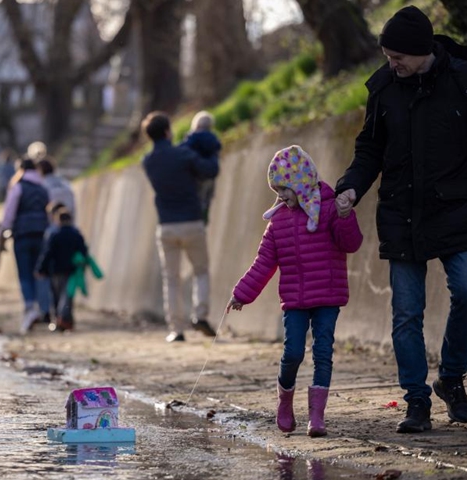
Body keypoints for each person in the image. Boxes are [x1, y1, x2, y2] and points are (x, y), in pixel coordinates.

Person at [334, 6, 467, 434]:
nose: (391, 64)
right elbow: (369, 150)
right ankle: (416, 401)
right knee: (406, 313)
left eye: (397, 57)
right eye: (386, 55)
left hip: (457, 208)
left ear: (421, 53)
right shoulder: (382, 88)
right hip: (401, 212)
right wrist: (350, 187)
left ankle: (451, 380)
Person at [227, 145, 363, 437]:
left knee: (323, 352)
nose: (281, 195)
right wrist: (241, 294)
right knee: (293, 352)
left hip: (327, 295)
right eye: (277, 189)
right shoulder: (278, 222)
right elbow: (263, 262)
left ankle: (317, 416)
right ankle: (285, 402)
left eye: (284, 188)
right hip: (296, 300)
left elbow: (350, 243)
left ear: (301, 183)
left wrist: (344, 217)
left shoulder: (330, 208)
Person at [141, 111, 219, 343]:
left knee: (171, 278)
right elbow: (210, 170)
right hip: (192, 222)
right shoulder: (183, 155)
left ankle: (176, 329)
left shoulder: (147, 162)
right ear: (168, 131)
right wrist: (212, 147)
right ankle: (201, 315)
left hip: (166, 226)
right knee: (201, 270)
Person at [0, 158, 51, 334]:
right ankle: (44, 308)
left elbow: (9, 211)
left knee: (24, 272)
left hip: (22, 234)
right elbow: (49, 212)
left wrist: (4, 229)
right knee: (39, 272)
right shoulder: (43, 188)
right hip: (41, 234)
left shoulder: (18, 186)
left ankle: (30, 308)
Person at [35, 209, 88, 332]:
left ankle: (60, 319)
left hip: (56, 271)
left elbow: (47, 253)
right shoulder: (76, 235)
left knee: (57, 296)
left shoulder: (55, 235)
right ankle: (66, 320)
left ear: (58, 221)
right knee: (67, 296)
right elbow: (84, 252)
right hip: (71, 271)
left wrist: (41, 269)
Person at [181, 111, 222, 224]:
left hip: (191, 185)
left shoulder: (190, 141)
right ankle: (203, 221)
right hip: (208, 184)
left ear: (196, 125)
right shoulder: (213, 142)